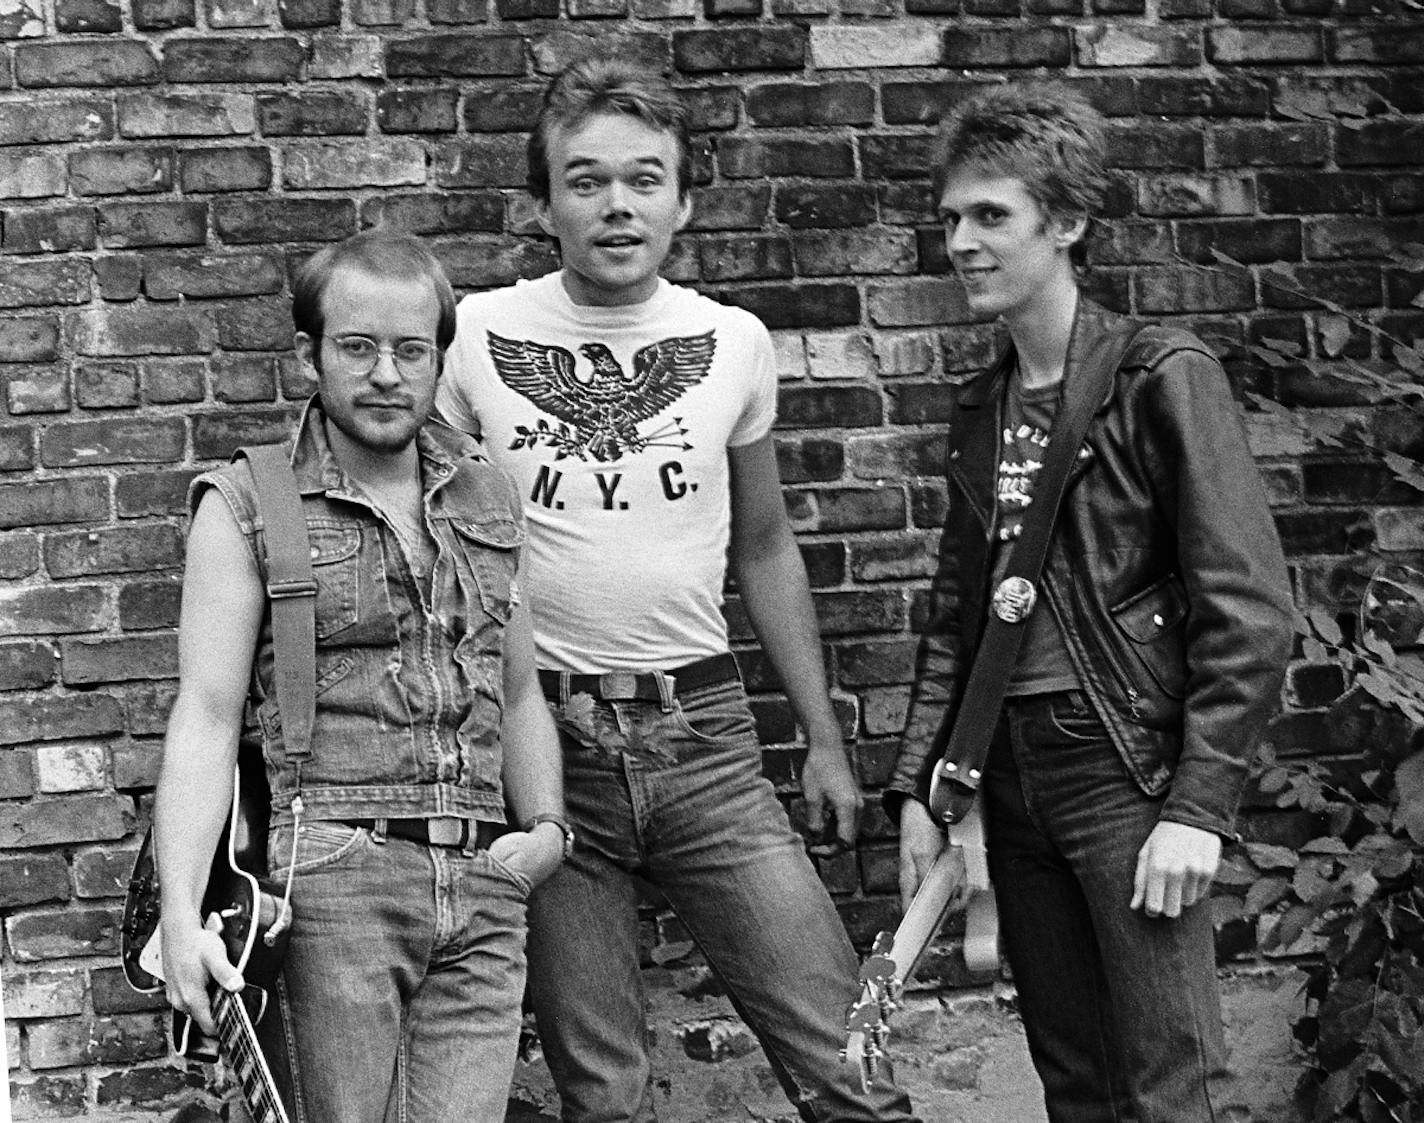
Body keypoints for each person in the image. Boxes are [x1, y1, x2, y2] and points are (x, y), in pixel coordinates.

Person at [437, 51, 918, 1123]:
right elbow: (436, 548)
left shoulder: (731, 343)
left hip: (704, 740)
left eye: (644, 178)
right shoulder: (473, 337)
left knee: (849, 1061)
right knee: (604, 1096)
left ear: (683, 200)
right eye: (588, 179)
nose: (618, 204)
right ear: (544, 203)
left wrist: (824, 741)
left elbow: (762, 544)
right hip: (545, 759)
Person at [889, 87, 1295, 1122]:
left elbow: (1245, 605)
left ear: (1064, 222)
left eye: (990, 216)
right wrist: (923, 791)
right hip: (1009, 770)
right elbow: (958, 616)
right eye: (949, 220)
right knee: (1074, 1082)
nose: (962, 243)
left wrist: (1197, 805)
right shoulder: (979, 407)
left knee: (1173, 1078)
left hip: (1120, 768)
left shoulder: (1159, 374)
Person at [153, 229, 569, 1123]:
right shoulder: (247, 503)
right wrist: (181, 917)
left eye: (411, 349)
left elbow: (522, 688)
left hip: (486, 878)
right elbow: (206, 715)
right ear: (311, 355)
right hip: (335, 873)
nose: (387, 372)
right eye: (358, 346)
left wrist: (547, 834)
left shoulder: (489, 495)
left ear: (438, 359)